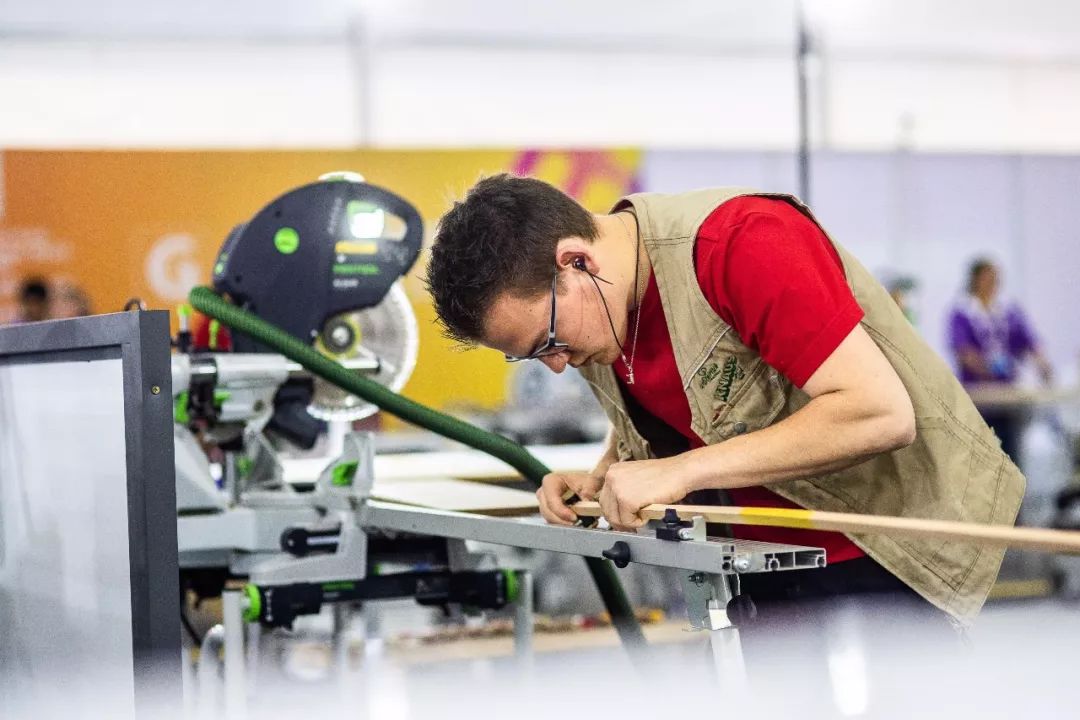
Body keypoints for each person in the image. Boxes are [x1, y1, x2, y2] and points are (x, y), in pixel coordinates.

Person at [425, 175, 1025, 630]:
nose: (556, 363)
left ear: (576, 261)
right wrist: (606, 473)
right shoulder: (600, 304)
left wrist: (681, 471)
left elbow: (878, 413)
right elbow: (681, 401)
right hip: (755, 564)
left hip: (875, 556)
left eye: (549, 341)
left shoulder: (742, 243)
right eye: (532, 356)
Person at [947, 258, 1052, 462]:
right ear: (975, 280)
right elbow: (963, 352)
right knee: (980, 454)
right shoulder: (962, 312)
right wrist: (989, 368)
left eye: (995, 279)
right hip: (979, 397)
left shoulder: (1008, 310)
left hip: (1006, 396)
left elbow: (1030, 341)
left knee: (1010, 451)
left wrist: (1043, 365)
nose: (992, 283)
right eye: (987, 278)